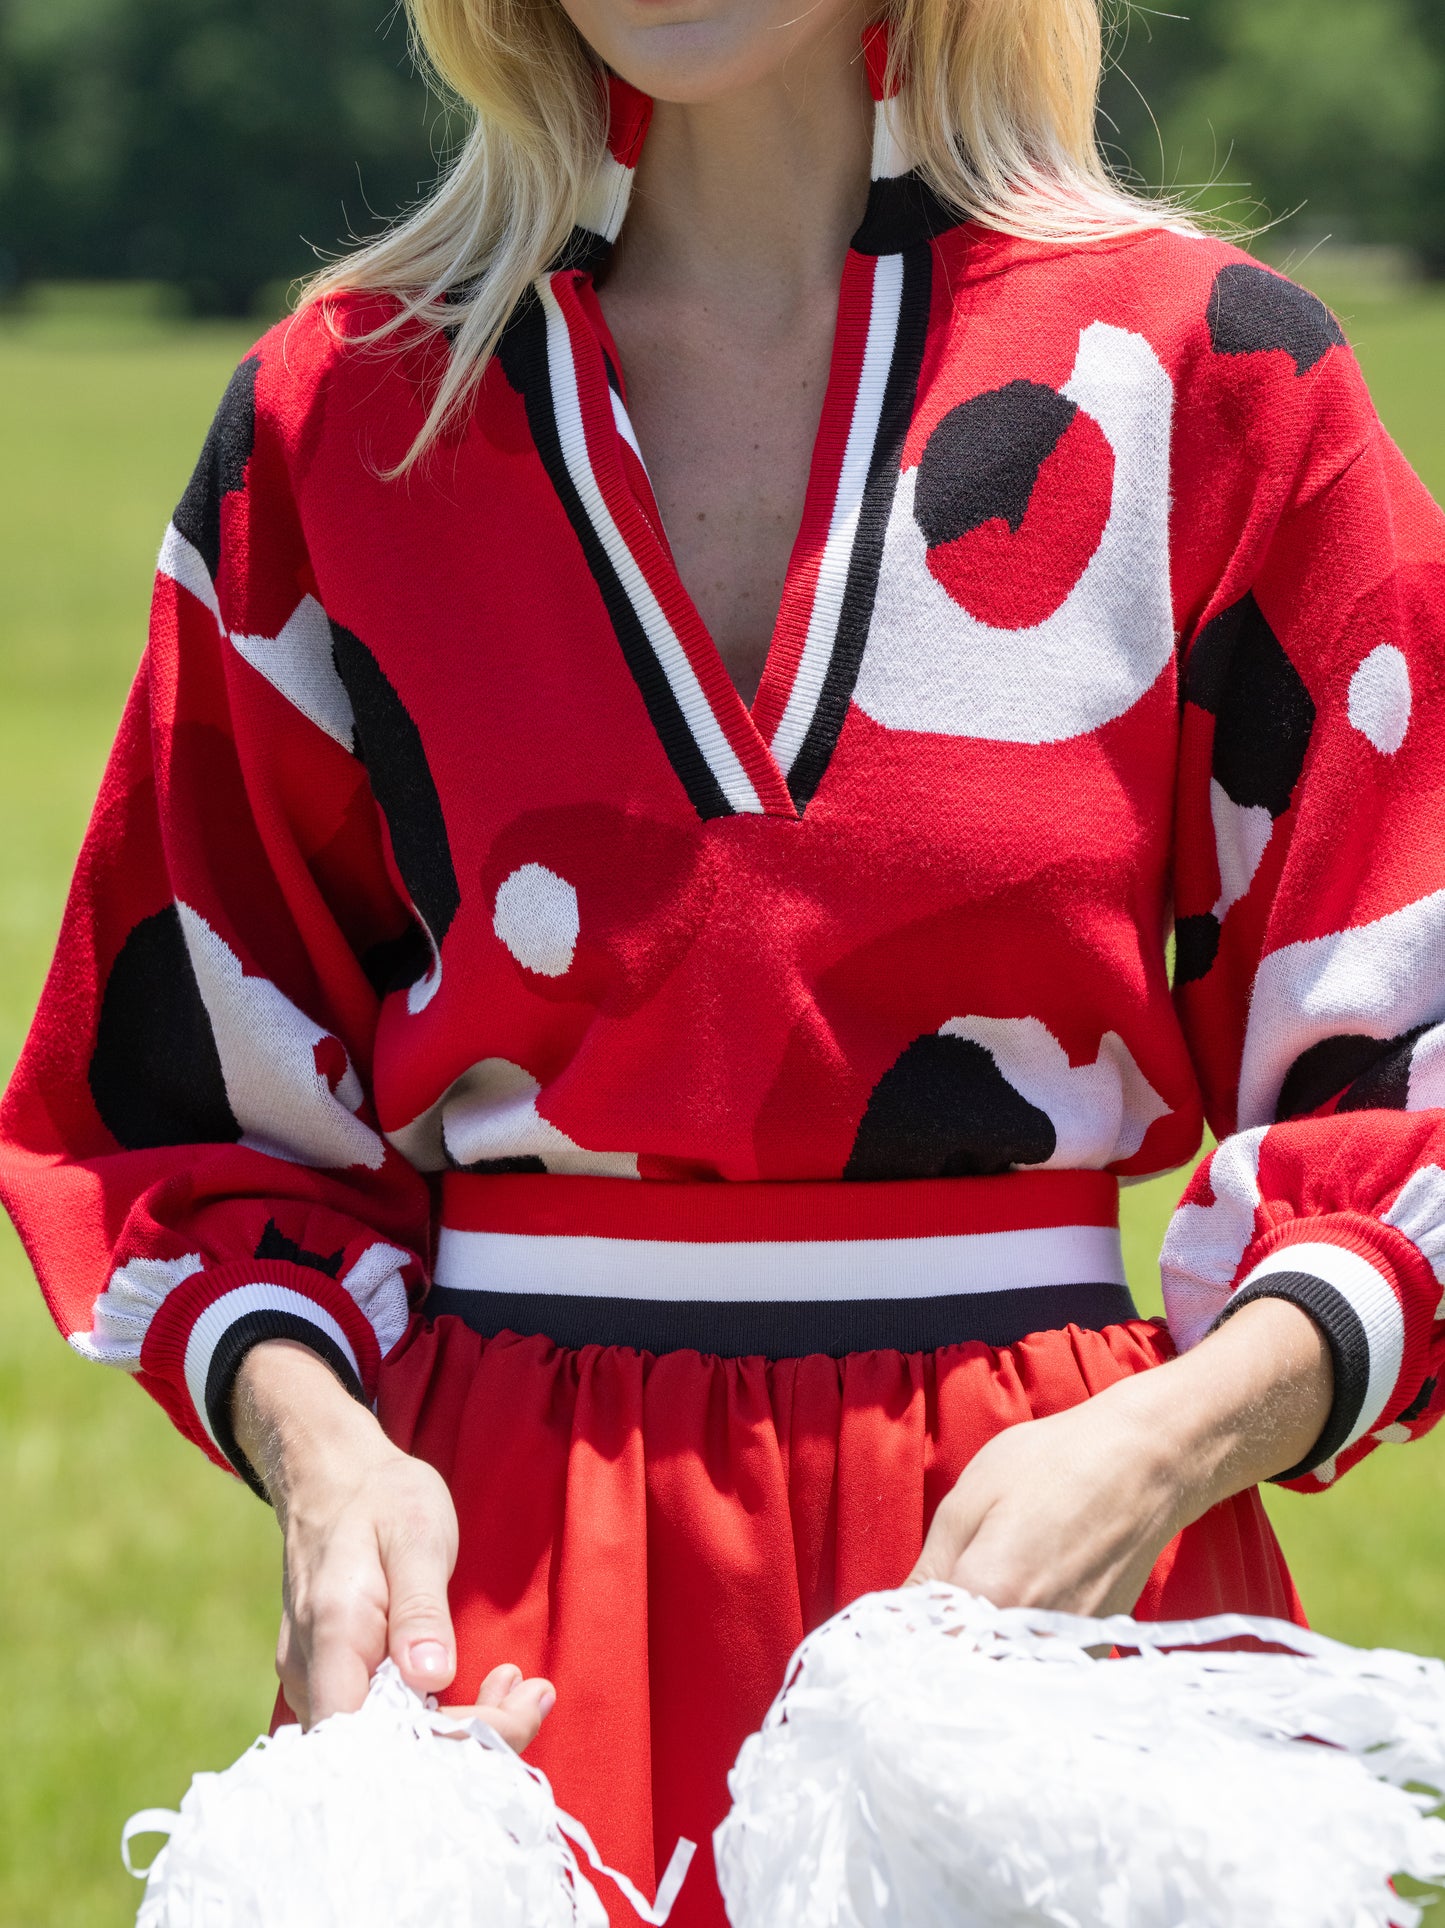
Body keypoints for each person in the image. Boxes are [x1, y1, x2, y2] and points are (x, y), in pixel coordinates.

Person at [4, 0, 1444, 1915]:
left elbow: (1411, 1048)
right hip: (498, 1623)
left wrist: (1179, 1439)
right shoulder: (341, 412)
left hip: (1045, 1571)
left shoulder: (1214, 376)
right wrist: (324, 1460)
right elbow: (179, 1109)